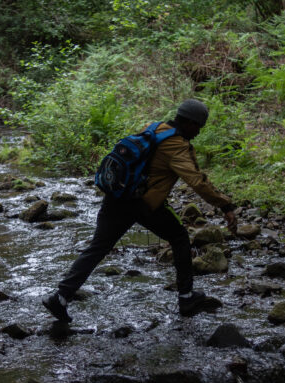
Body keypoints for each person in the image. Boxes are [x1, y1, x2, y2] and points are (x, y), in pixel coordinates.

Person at [43, 99, 237, 322]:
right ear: (190, 123)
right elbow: (197, 181)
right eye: (198, 127)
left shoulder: (155, 128)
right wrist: (225, 205)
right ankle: (186, 297)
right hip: (141, 204)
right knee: (179, 237)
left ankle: (60, 297)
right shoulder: (176, 144)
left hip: (116, 197)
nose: (198, 132)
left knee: (97, 247)